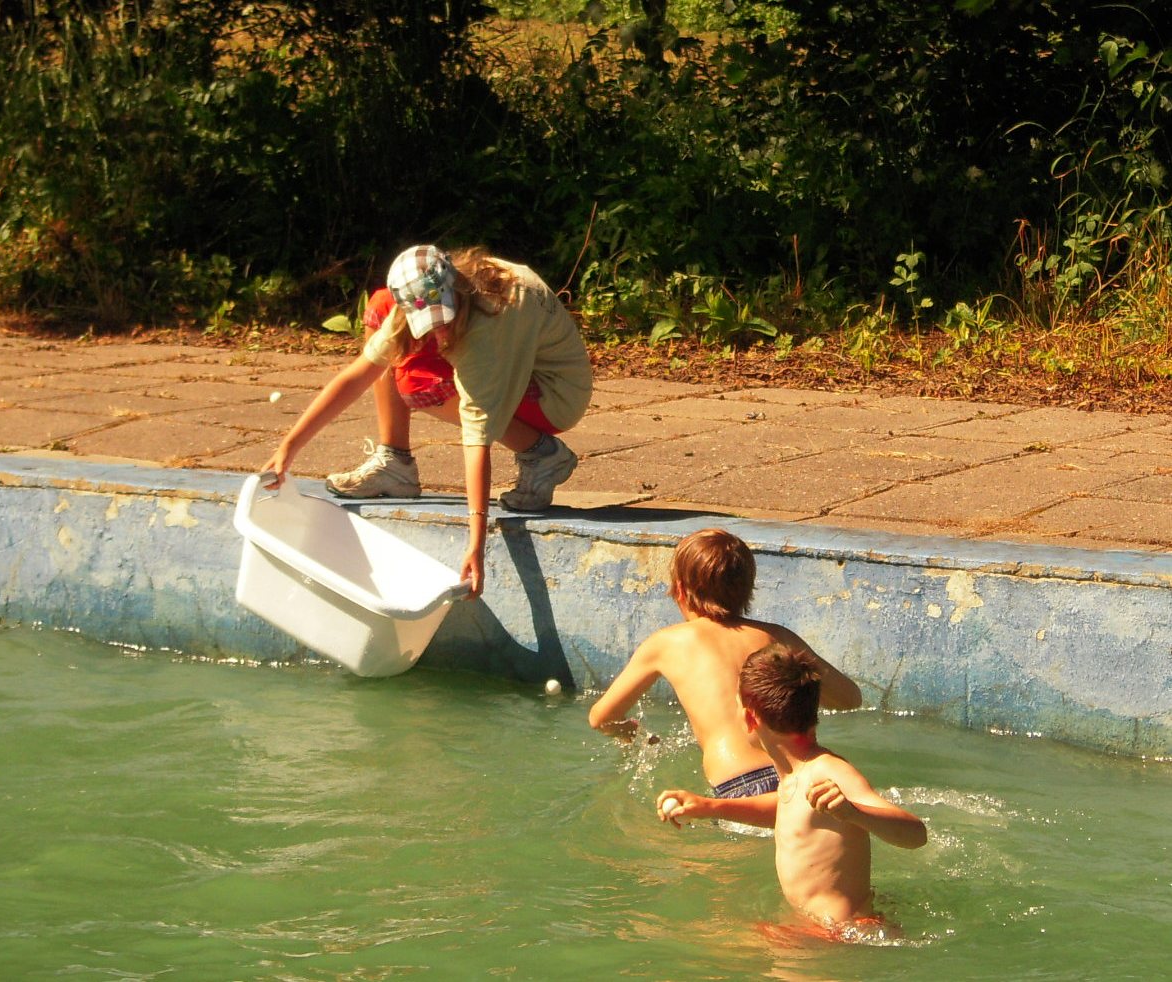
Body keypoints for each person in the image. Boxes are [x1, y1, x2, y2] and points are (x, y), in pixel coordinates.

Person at [261, 245, 593, 597]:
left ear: (457, 288)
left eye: (444, 318)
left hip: (553, 396)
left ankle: (541, 454)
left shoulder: (489, 323)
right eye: (431, 323)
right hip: (518, 365)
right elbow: (358, 376)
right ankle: (395, 462)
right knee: (381, 307)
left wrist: (476, 544)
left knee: (417, 383)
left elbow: (476, 439)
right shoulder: (445, 289)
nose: (441, 333)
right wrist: (288, 448)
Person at [588, 528, 860, 818]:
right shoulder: (776, 637)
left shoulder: (665, 643)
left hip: (741, 786)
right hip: (808, 777)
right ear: (748, 588)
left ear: (679, 589)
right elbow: (850, 699)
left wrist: (637, 736)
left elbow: (601, 718)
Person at [657, 644, 927, 936]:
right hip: (818, 929)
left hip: (842, 935)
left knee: (712, 937)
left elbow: (916, 834)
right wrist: (709, 806)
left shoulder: (829, 771)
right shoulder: (798, 774)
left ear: (750, 719)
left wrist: (853, 812)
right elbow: (791, 810)